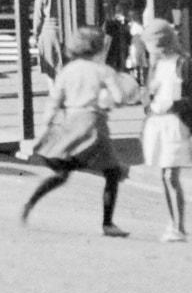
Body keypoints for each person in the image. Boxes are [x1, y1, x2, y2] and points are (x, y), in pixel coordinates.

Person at [22, 26, 138, 236]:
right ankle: (108, 223)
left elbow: (54, 102)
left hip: (70, 122)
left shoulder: (67, 71)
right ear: (98, 48)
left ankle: (31, 202)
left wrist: (45, 127)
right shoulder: (103, 71)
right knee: (112, 172)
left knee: (63, 172)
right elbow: (120, 97)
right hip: (93, 122)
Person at [137, 16, 192, 242]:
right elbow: (148, 93)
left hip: (177, 123)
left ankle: (179, 226)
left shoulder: (184, 63)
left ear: (162, 43)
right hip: (158, 123)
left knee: (170, 174)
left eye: (152, 46)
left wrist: (174, 104)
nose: (150, 51)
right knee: (164, 176)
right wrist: (149, 103)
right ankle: (173, 222)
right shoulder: (155, 65)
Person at [28, 0, 72, 81]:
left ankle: (56, 94)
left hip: (48, 30)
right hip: (67, 29)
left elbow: (38, 15)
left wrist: (35, 34)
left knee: (52, 68)